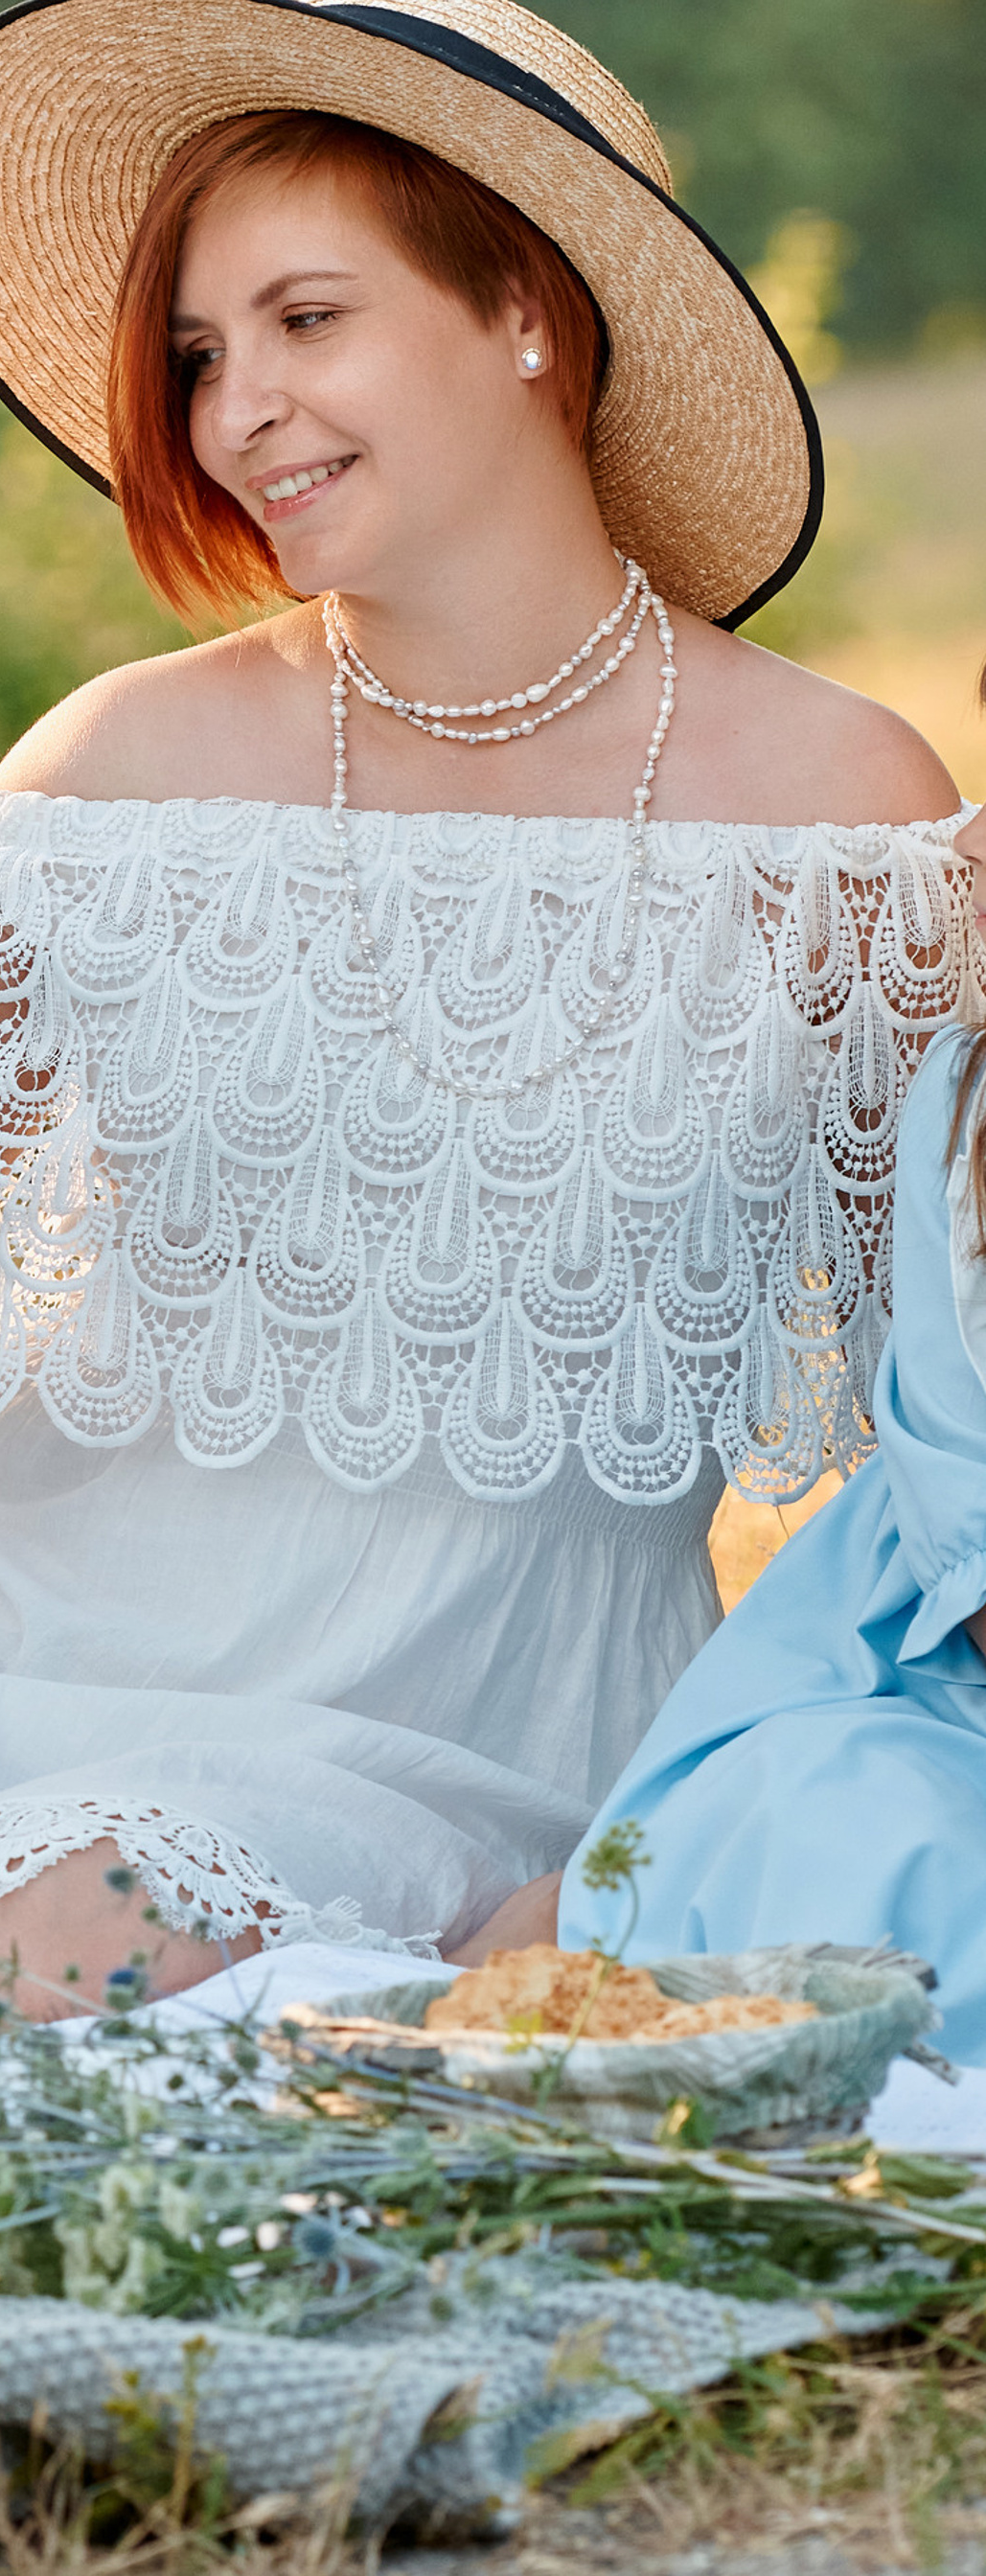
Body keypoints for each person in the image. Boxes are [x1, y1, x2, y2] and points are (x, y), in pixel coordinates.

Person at [0, 0, 972, 2084]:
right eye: (195, 354)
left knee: (25, 1977)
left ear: (524, 308)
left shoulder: (840, 819)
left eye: (305, 322)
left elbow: (939, 1406)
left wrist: (710, 1813)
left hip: (441, 1709)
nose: (235, 411)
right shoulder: (108, 778)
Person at [560, 790, 986, 2051]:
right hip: (945, 1682)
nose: (969, 838)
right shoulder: (967, 1093)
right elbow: (959, 1467)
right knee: (849, 1824)